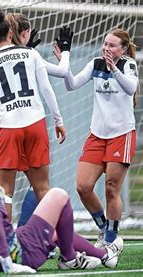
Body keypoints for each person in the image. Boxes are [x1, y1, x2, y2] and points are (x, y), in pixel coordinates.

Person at [0, 152, 123, 273]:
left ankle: (102, 255)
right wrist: (7, 263)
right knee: (58, 195)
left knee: (47, 233)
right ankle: (70, 258)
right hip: (16, 256)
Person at [0, 8, 66, 220]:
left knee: (4, 191)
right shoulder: (31, 54)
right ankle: (48, 241)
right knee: (43, 188)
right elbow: (47, 90)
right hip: (35, 123)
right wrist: (58, 120)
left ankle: (6, 245)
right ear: (11, 33)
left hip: (7, 127)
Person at [64, 28, 138, 247]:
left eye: (112, 45)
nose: (106, 48)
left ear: (123, 49)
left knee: (110, 188)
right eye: (105, 44)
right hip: (97, 135)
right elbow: (71, 84)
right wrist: (64, 61)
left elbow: (130, 87)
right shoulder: (95, 63)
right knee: (83, 186)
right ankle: (103, 227)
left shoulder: (127, 65)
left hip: (121, 135)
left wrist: (114, 69)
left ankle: (111, 239)